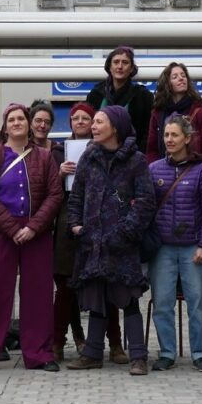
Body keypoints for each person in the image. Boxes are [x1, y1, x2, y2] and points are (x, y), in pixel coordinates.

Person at [0, 103, 62, 373]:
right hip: (1, 230)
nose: (17, 122)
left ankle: (40, 353)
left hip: (37, 231)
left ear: (29, 124)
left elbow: (55, 195)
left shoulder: (44, 157)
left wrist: (33, 227)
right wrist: (10, 227)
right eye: (12, 119)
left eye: (22, 118)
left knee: (38, 292)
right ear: (5, 126)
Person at [65, 105, 156, 376]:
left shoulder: (136, 160)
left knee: (127, 296)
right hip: (92, 240)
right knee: (96, 294)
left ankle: (138, 355)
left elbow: (145, 201)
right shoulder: (88, 156)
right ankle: (92, 353)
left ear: (115, 127)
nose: (93, 126)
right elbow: (76, 195)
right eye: (93, 122)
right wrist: (75, 225)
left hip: (122, 241)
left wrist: (126, 232)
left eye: (99, 122)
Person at [52, 103, 125, 361]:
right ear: (70, 122)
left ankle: (115, 343)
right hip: (66, 221)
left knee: (106, 282)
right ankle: (57, 342)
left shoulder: (107, 150)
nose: (81, 122)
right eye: (76, 118)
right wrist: (59, 174)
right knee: (65, 285)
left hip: (100, 218)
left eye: (87, 118)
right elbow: (48, 190)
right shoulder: (58, 151)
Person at [148, 114, 202, 373]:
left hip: (192, 247)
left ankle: (199, 353)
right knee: (162, 302)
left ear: (187, 138)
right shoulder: (154, 169)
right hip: (162, 248)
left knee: (197, 302)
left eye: (175, 135)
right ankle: (167, 352)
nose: (169, 140)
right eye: (166, 135)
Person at [146, 62, 202, 166]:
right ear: (167, 83)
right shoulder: (158, 113)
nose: (181, 78)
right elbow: (152, 149)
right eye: (175, 77)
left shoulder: (200, 113)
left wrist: (200, 173)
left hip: (193, 173)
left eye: (183, 76)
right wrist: (156, 171)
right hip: (163, 175)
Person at [86, 46, 154, 153]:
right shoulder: (95, 95)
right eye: (116, 62)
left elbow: (148, 132)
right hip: (98, 156)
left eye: (125, 62)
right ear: (109, 67)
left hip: (132, 157)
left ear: (131, 68)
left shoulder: (143, 96)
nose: (120, 66)